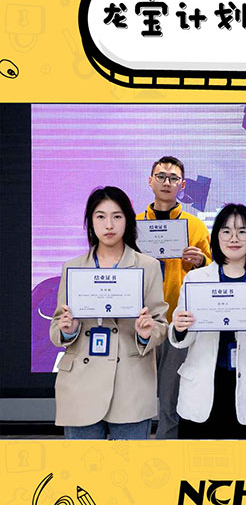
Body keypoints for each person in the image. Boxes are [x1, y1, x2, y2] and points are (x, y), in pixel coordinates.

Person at [50, 186, 168, 439]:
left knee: (129, 465)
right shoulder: (72, 267)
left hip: (130, 385)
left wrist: (146, 333)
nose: (109, 225)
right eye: (100, 216)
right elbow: (57, 325)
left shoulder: (148, 266)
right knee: (81, 465)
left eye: (117, 216)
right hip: (81, 387)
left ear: (128, 220)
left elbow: (161, 325)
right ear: (90, 222)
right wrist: (68, 330)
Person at [169, 204, 246, 439]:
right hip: (202, 386)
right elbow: (182, 338)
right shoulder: (196, 278)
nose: (234, 238)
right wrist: (179, 328)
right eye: (226, 231)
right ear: (216, 236)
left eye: (242, 231)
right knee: (197, 460)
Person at [136, 156, 212, 439]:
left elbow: (215, 270)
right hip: (139, 323)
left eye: (173, 178)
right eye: (161, 176)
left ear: (182, 185)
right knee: (136, 398)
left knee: (170, 400)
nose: (166, 182)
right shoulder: (134, 224)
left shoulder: (195, 226)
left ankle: (167, 453)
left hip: (177, 324)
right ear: (150, 181)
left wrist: (202, 261)